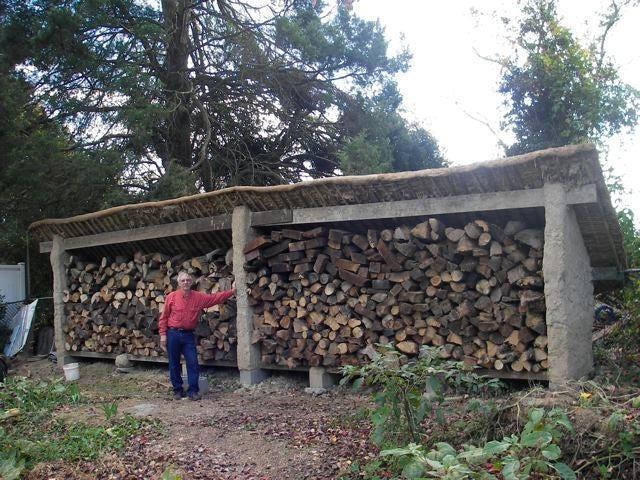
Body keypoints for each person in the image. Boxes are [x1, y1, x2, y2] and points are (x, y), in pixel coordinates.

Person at [159, 271, 236, 401]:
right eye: (183, 281)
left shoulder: (198, 297)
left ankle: (193, 391)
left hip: (188, 335)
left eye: (188, 280)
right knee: (174, 363)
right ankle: (177, 390)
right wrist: (162, 335)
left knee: (193, 362)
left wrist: (232, 291)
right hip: (173, 333)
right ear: (178, 283)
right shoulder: (171, 297)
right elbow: (163, 317)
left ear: (192, 282)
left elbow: (214, 298)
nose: (185, 283)